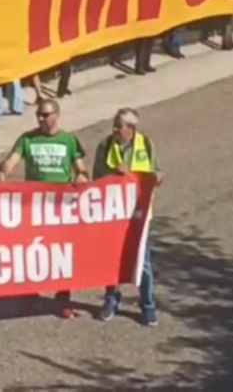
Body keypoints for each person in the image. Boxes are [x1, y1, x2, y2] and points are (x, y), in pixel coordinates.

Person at [0, 97, 89, 318]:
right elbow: (11, 160)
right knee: (32, 251)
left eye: (45, 115)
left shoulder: (69, 141)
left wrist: (82, 177)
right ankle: (30, 295)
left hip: (60, 206)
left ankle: (63, 297)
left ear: (56, 115)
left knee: (62, 251)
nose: (41, 119)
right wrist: (2, 172)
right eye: (38, 115)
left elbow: (81, 169)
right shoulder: (28, 139)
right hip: (34, 205)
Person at [94, 108, 161, 327]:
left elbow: (155, 171)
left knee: (143, 262)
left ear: (131, 129)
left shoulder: (147, 144)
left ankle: (147, 305)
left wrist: (157, 177)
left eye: (119, 126)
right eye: (114, 125)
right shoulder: (105, 147)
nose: (114, 129)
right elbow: (97, 178)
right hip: (114, 213)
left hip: (140, 213)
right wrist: (114, 174)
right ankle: (111, 299)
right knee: (112, 259)